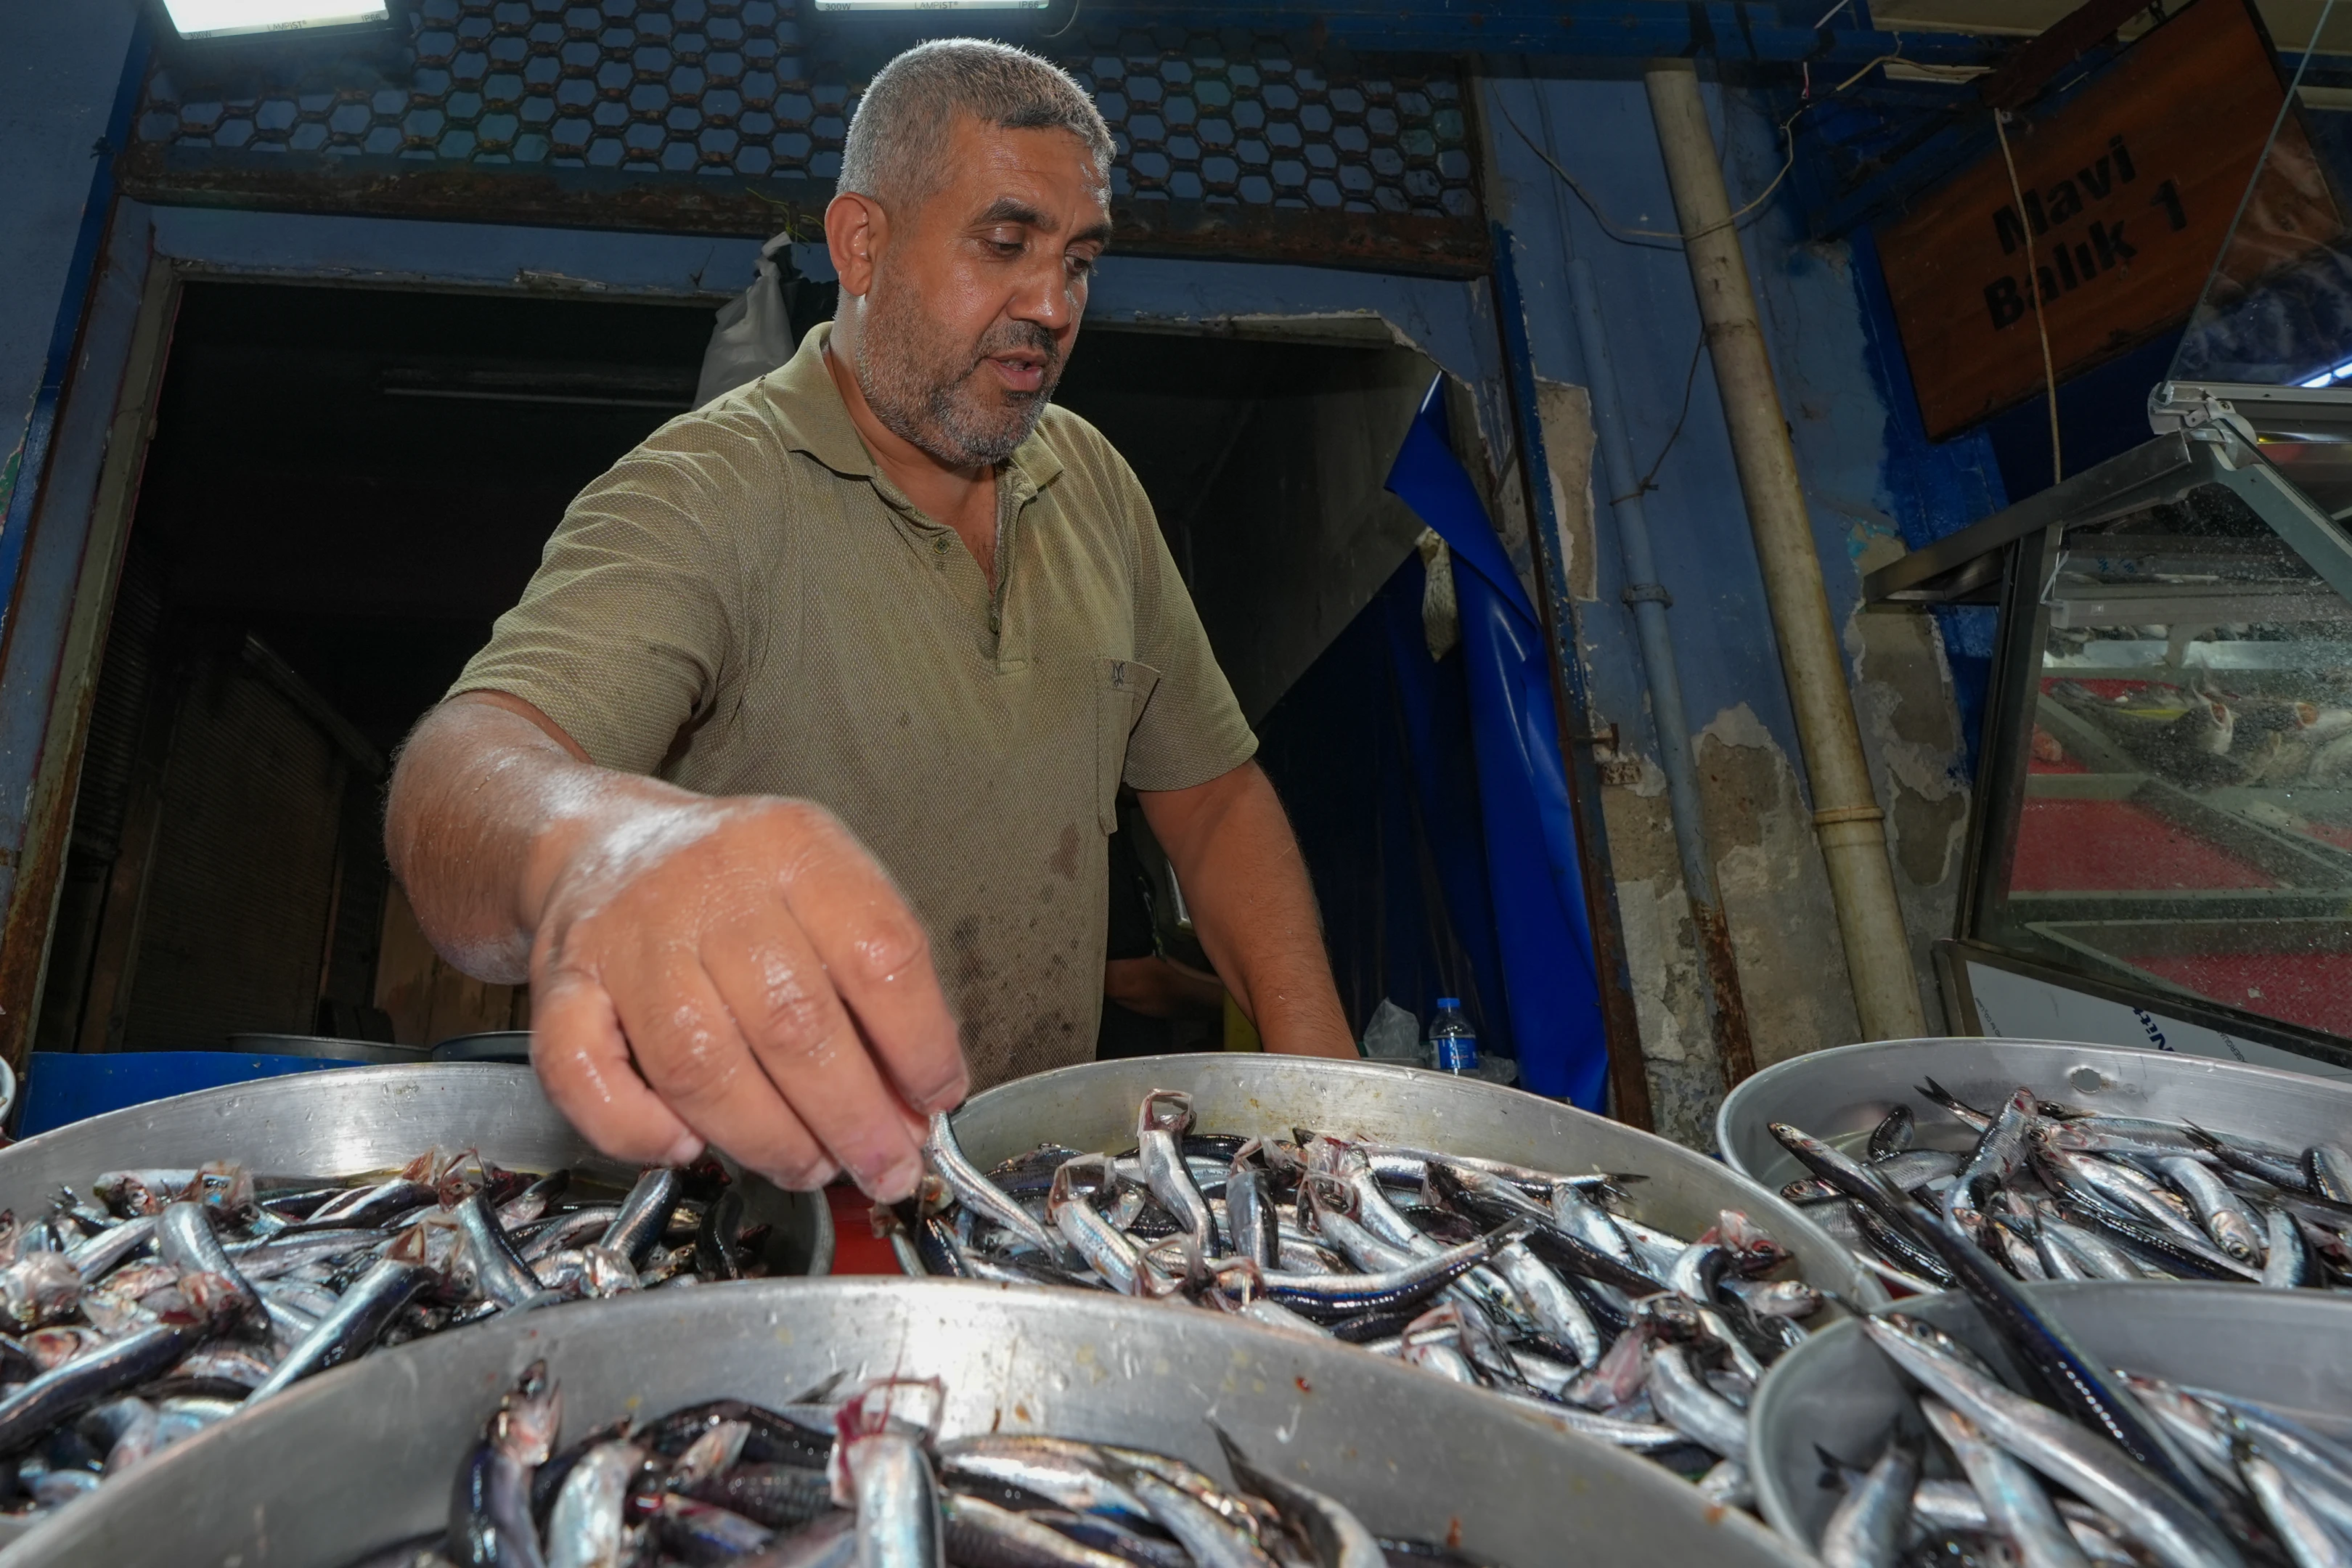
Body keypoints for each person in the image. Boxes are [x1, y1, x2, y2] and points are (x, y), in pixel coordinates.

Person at [383, 38, 1355, 1209]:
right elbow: (458, 777)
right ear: (862, 243)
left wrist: (1323, 1106)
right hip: (753, 1211)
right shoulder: (708, 491)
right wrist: (600, 845)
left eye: (1079, 262)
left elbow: (1214, 803)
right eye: (1005, 245)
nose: (1051, 306)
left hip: (1028, 1202)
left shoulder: (1093, 483)